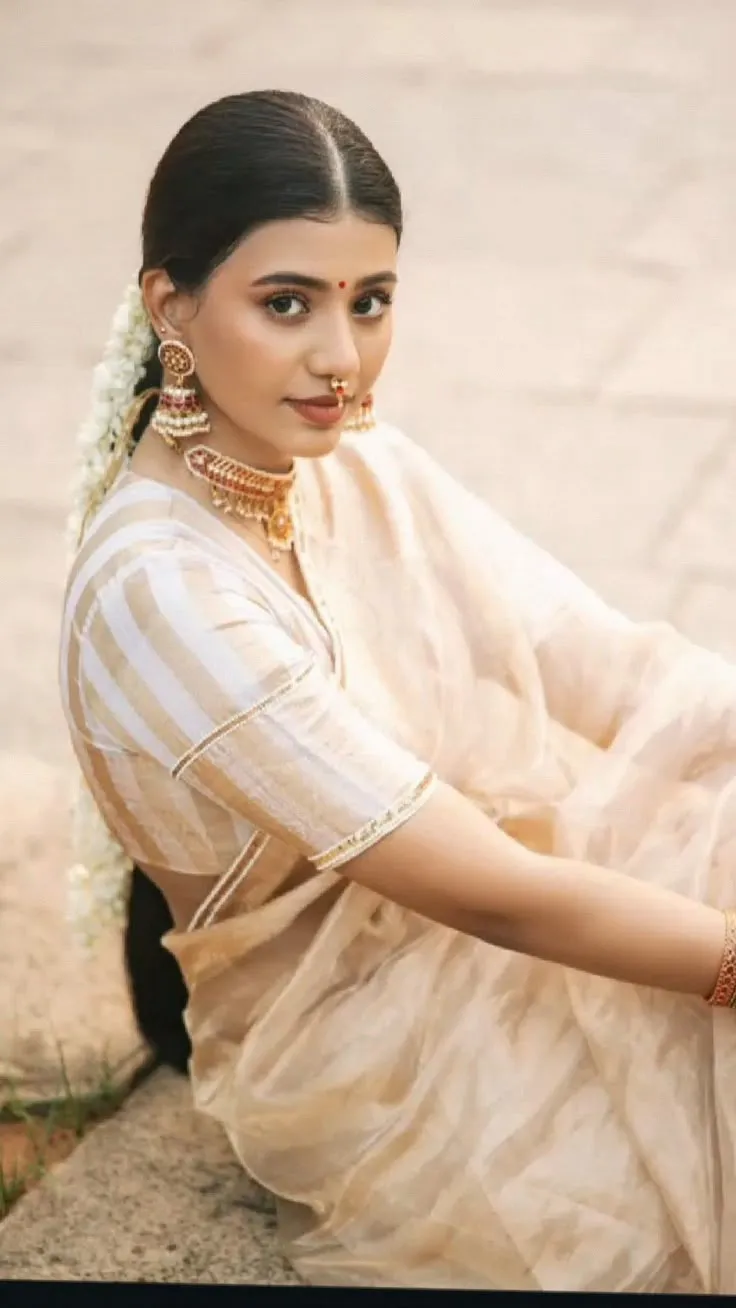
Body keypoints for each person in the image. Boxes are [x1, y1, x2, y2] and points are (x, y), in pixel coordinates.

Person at [58, 90, 736, 1293]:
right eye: (287, 304)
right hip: (366, 1035)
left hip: (493, 876)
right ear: (170, 302)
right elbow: (501, 901)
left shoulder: (351, 459)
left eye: (369, 302)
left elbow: (614, 668)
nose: (341, 357)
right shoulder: (161, 594)